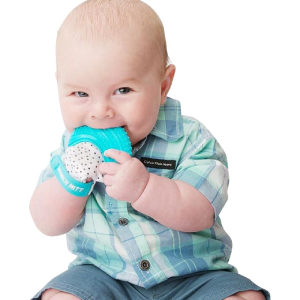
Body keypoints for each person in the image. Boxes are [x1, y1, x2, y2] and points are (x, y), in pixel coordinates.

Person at [30, 0, 270, 299]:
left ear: (162, 85)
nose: (100, 111)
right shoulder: (72, 149)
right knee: (60, 295)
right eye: (80, 93)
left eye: (123, 91)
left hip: (193, 276)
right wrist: (71, 181)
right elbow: (47, 222)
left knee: (245, 297)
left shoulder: (191, 139)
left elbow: (200, 213)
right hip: (103, 276)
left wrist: (144, 189)